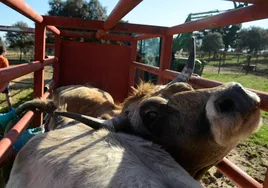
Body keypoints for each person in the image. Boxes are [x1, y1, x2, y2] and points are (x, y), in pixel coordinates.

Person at [0, 45, 12, 110]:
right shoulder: (4, 60)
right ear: (3, 52)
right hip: (3, 81)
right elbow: (7, 70)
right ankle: (10, 109)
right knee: (8, 94)